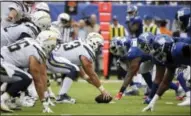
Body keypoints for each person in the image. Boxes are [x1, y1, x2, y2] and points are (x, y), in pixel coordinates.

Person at [1, 30, 60, 113]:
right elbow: (37, 80)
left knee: (20, 74)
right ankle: (2, 99)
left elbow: (43, 75)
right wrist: (44, 102)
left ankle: (8, 100)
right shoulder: (37, 52)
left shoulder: (30, 40)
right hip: (2, 63)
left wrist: (47, 97)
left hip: (4, 62)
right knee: (27, 78)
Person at [49, 32, 112, 103]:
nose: (99, 49)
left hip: (51, 56)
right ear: (94, 43)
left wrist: (87, 78)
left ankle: (56, 95)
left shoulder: (81, 45)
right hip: (52, 59)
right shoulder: (86, 52)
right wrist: (103, 90)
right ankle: (61, 96)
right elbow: (92, 74)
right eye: (99, 46)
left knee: (73, 68)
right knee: (72, 69)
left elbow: (83, 73)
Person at [106, 16, 128, 80]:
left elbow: (126, 36)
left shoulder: (122, 28)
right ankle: (107, 75)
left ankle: (120, 75)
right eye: (114, 20)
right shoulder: (110, 28)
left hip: (119, 47)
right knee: (109, 62)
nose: (115, 21)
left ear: (117, 21)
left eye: (116, 20)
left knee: (119, 62)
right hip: (112, 47)